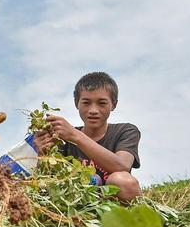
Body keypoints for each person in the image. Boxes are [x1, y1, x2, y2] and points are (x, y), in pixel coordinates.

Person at [34, 72, 142, 202]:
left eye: (102, 103)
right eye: (86, 102)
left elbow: (122, 166)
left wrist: (75, 136)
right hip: (76, 207)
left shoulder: (125, 131)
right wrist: (42, 154)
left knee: (122, 181)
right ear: (76, 103)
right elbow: (48, 182)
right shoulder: (62, 139)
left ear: (113, 104)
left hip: (115, 207)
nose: (93, 110)